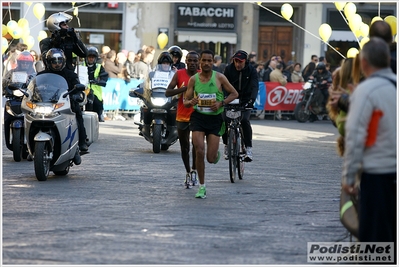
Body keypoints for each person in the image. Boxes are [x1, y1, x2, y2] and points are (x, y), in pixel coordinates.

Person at [341, 37, 396, 247]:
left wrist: (349, 177)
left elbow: (355, 136)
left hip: (378, 176)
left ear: (364, 63)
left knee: (375, 243)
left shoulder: (366, 91)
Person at [183, 49, 238, 199]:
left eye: (209, 61)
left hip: (215, 119)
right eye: (204, 60)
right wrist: (191, 101)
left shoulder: (220, 77)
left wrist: (221, 103)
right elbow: (186, 101)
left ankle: (215, 154)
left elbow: (234, 94)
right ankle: (202, 187)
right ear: (200, 62)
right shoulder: (193, 79)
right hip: (198, 118)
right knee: (199, 151)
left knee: (210, 158)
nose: (206, 63)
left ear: (213, 62)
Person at [38, 48, 88, 152]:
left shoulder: (70, 74)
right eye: (54, 61)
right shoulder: (42, 75)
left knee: (77, 113)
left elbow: (76, 86)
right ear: (48, 62)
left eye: (59, 61)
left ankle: (81, 141)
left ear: (63, 61)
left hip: (65, 103)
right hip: (47, 103)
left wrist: (76, 94)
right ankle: (27, 144)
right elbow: (35, 86)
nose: (57, 64)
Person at [165, 51, 200, 188]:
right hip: (182, 115)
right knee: (184, 147)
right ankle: (187, 172)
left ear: (198, 62)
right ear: (186, 61)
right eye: (189, 60)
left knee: (197, 146)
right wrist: (184, 89)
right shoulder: (179, 74)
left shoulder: (202, 75)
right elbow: (168, 92)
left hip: (198, 115)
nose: (192, 63)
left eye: (194, 61)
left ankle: (195, 171)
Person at [223, 50, 258, 161]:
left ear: (245, 61)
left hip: (245, 99)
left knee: (244, 121)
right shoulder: (228, 69)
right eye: (236, 61)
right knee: (223, 119)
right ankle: (226, 145)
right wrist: (223, 98)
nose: (237, 64)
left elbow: (254, 86)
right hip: (231, 99)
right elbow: (223, 85)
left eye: (240, 62)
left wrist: (251, 101)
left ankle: (248, 148)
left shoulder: (251, 70)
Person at [83, 47, 108, 122]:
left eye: (92, 57)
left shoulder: (99, 67)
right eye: (89, 57)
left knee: (97, 102)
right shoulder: (81, 65)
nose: (91, 59)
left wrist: (97, 81)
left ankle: (100, 114)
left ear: (95, 58)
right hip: (84, 90)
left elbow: (104, 77)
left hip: (96, 92)